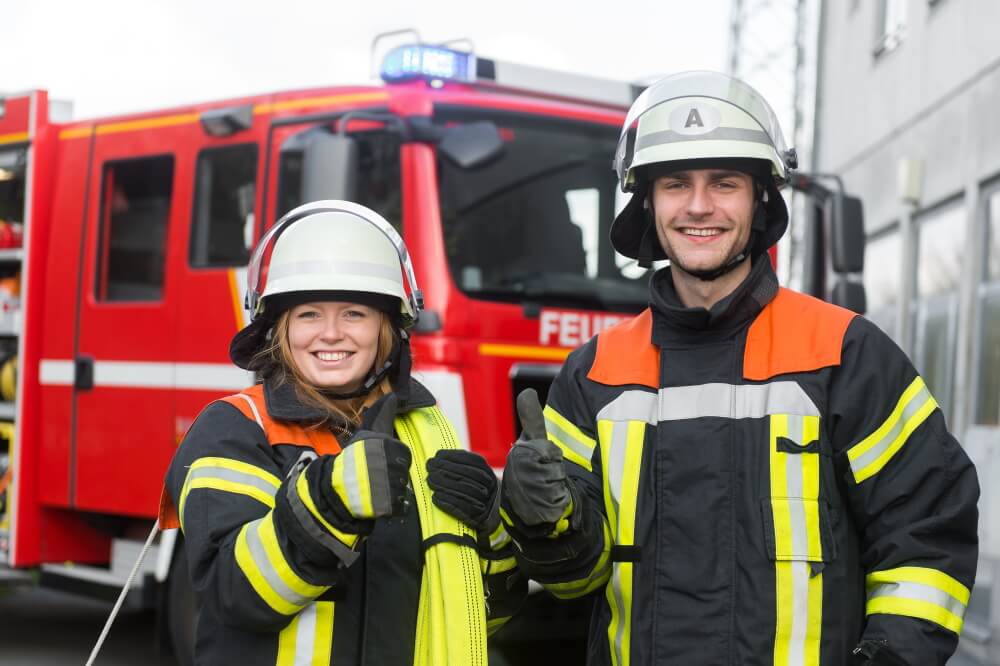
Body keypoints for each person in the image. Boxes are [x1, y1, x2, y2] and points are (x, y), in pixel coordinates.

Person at [499, 72, 979, 665]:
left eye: (724, 183)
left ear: (760, 199)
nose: (699, 206)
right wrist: (548, 524)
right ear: (647, 202)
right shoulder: (594, 373)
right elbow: (574, 583)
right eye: (676, 183)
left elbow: (927, 538)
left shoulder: (846, 353)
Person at [160, 200, 523, 665]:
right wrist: (328, 504)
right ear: (280, 329)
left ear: (387, 328)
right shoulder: (236, 428)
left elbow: (479, 614)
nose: (331, 333)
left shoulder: (428, 433)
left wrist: (495, 531)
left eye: (354, 313)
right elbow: (233, 593)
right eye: (309, 313)